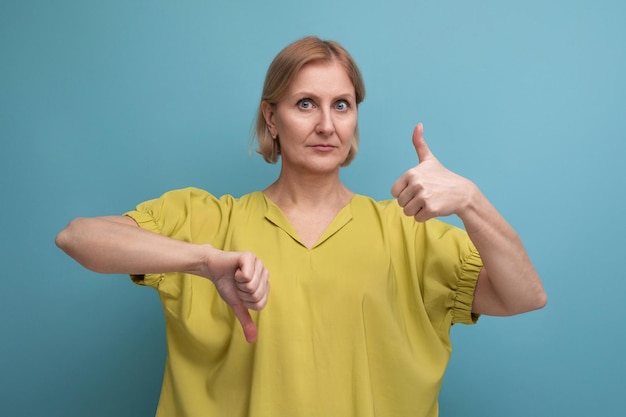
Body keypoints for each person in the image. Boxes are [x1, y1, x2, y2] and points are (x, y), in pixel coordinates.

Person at [55, 36, 547, 417]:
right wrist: (202, 260)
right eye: (305, 103)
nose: (327, 125)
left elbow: (524, 295)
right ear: (271, 117)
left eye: (342, 105)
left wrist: (471, 202)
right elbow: (77, 237)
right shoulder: (208, 220)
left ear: (355, 118)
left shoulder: (409, 234)